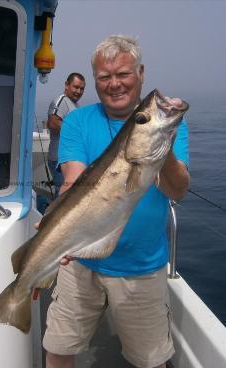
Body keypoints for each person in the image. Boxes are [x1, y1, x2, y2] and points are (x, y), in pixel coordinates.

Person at [42, 35, 190, 368]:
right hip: (80, 261)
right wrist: (59, 226)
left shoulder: (167, 129)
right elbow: (73, 180)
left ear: (140, 72)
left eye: (122, 74)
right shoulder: (78, 121)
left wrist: (161, 143)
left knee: (151, 361)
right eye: (104, 77)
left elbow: (177, 190)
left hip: (141, 266)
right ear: (95, 80)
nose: (114, 84)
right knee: (58, 349)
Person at [47, 72, 86, 197]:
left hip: (70, 158)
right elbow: (53, 123)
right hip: (59, 160)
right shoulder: (62, 100)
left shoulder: (75, 105)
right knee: (63, 197)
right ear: (66, 85)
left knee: (70, 195)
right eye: (75, 87)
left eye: (81, 88)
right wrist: (78, 134)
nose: (78, 91)